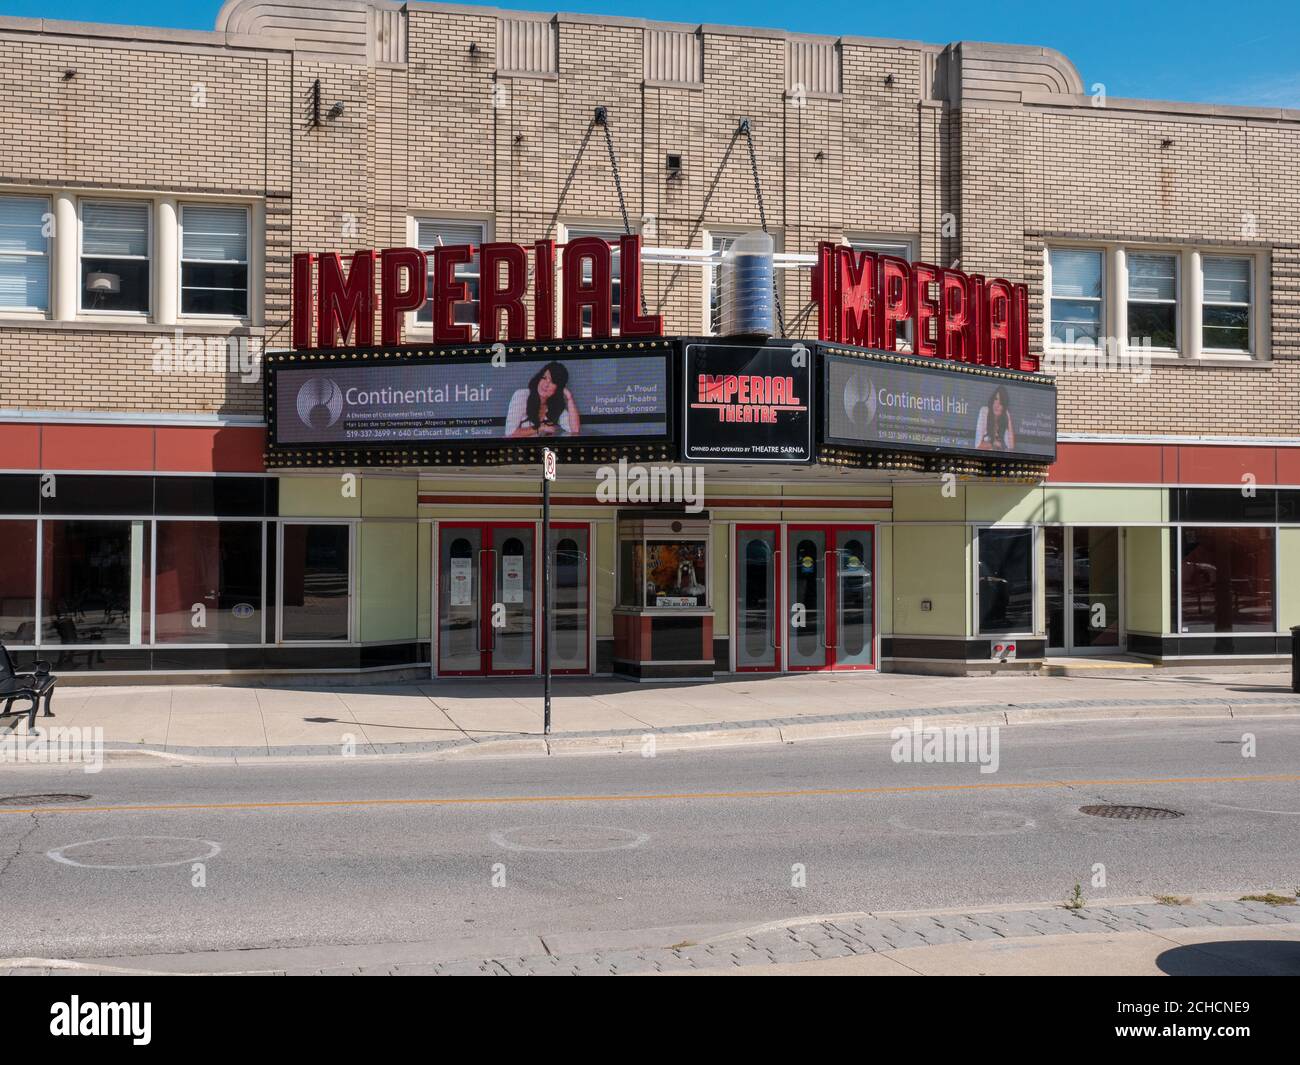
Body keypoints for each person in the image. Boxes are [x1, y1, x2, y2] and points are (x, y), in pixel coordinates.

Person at [505, 361, 582, 437]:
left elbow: (575, 430)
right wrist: (540, 428)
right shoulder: (521, 395)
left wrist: (569, 398)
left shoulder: (555, 406)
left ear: (558, 388)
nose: (545, 384)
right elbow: (510, 433)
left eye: (552, 382)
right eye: (544, 378)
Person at [974, 386, 1015, 451]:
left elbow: (1011, 446)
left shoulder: (1003, 419)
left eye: (1001, 402)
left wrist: (1008, 417)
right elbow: (978, 445)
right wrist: (993, 444)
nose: (997, 404)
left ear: (1004, 407)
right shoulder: (984, 411)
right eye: (996, 399)